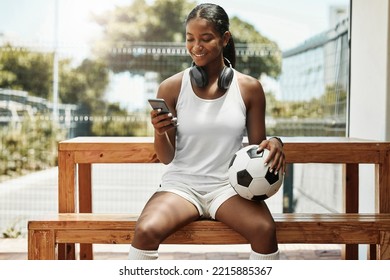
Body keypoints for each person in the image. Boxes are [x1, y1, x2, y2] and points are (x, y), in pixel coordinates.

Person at [128, 3, 286, 260]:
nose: (196, 47)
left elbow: (257, 148)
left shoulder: (249, 88)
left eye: (206, 38)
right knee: (146, 230)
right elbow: (166, 157)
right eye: (190, 39)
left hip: (228, 188)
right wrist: (159, 132)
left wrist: (275, 142)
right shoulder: (171, 88)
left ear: (225, 39)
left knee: (264, 230)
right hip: (182, 186)